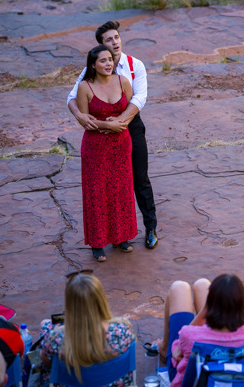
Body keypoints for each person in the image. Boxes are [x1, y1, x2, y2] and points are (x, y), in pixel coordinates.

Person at [67, 20, 158, 250]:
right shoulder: (93, 66)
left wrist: (120, 122)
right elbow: (72, 96)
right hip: (100, 131)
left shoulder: (134, 65)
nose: (114, 42)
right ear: (101, 45)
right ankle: (106, 237)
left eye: (116, 37)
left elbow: (140, 98)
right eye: (109, 40)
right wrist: (79, 115)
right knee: (104, 184)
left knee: (139, 178)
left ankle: (150, 228)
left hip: (130, 126)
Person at [76, 45, 137, 262]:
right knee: (97, 192)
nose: (108, 63)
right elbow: (86, 121)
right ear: (93, 65)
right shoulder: (85, 87)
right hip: (95, 147)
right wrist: (106, 125)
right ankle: (97, 243)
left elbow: (131, 108)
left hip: (121, 144)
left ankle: (122, 237)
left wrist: (119, 121)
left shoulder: (123, 82)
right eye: (102, 60)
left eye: (110, 59)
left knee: (121, 189)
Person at [157, 274, 244, 387]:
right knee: (202, 283)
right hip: (237, 379)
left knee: (179, 287)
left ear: (209, 304)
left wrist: (206, 309)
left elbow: (176, 353)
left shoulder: (189, 335)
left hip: (190, 381)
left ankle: (163, 347)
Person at [39, 271, 136, 386]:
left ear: (70, 304)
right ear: (101, 299)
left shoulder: (57, 338)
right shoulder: (123, 329)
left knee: (45, 324)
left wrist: (59, 330)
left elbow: (46, 362)